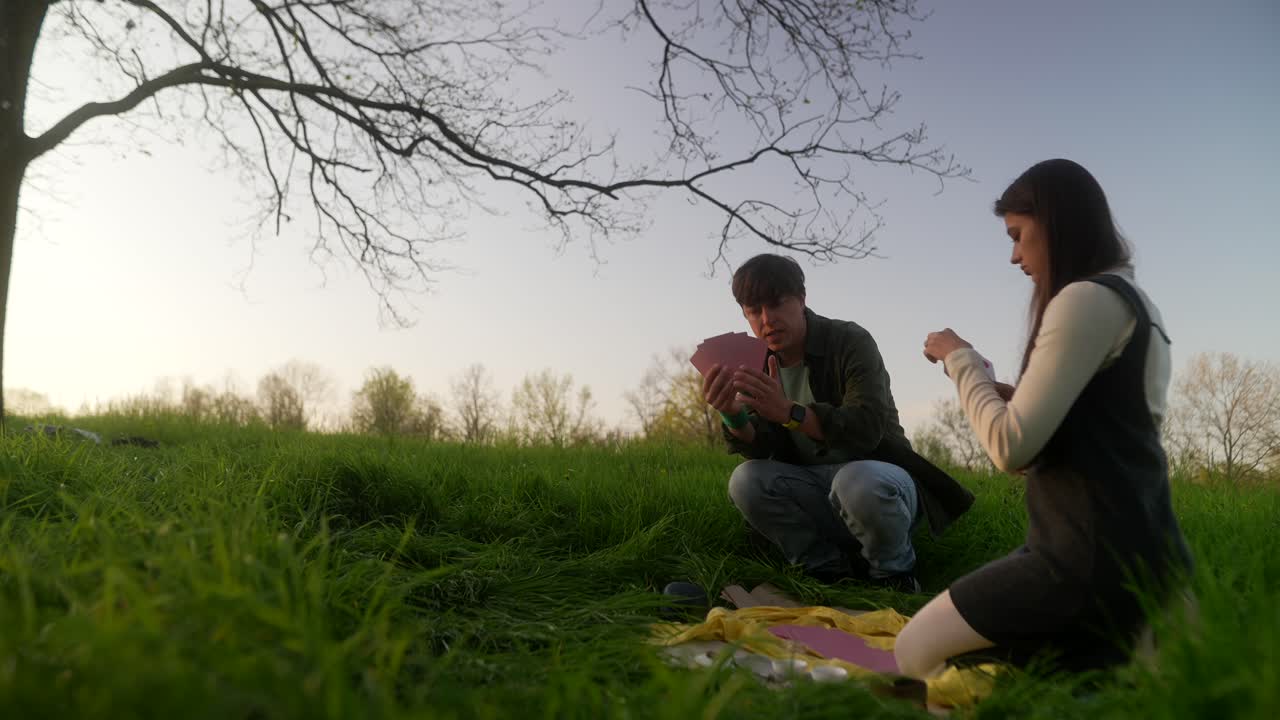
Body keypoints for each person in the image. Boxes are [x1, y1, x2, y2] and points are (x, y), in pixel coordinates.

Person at [894, 159, 1195, 677]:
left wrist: (959, 359)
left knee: (913, 652)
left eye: (1017, 235)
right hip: (1151, 560)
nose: (1013, 255)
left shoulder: (1084, 298)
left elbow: (1009, 447)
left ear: (1055, 223)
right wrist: (1010, 394)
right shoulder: (1137, 305)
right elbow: (1108, 438)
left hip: (1082, 564)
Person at [703, 254, 975, 592]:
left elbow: (866, 427)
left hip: (881, 483)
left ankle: (894, 575)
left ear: (801, 299)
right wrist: (732, 414)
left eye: (776, 304)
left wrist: (790, 412)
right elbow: (760, 446)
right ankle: (825, 572)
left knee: (857, 479)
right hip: (818, 491)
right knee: (745, 480)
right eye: (753, 311)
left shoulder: (849, 341)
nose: (766, 319)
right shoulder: (757, 361)